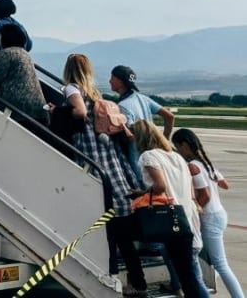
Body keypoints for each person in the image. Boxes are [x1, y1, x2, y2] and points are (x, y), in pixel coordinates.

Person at [60, 54, 146, 294]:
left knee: (104, 230)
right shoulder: (96, 93)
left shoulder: (71, 88)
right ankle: (138, 282)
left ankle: (112, 277)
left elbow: (78, 112)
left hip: (91, 156)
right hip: (112, 162)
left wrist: (62, 113)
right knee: (123, 233)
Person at [132, 120, 209, 298]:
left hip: (170, 221)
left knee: (191, 281)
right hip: (186, 219)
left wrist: (143, 193)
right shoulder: (176, 156)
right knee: (189, 278)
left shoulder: (148, 156)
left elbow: (159, 186)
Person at [172, 128, 243, 298]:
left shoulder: (193, 167)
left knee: (220, 263)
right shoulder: (205, 163)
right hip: (220, 214)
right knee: (210, 257)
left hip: (210, 217)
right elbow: (225, 184)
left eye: (177, 146)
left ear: (183, 145)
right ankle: (202, 285)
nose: (177, 151)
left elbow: (205, 195)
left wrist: (194, 208)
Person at [111, 65, 175, 176]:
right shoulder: (143, 98)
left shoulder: (123, 106)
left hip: (138, 162)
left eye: (112, 77)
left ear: (120, 82)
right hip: (154, 155)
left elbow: (130, 136)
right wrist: (165, 139)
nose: (109, 81)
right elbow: (169, 116)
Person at [0, 24, 47, 124]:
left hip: (17, 107)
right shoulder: (24, 53)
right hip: (37, 106)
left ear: (6, 37)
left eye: (0, 35)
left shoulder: (6, 53)